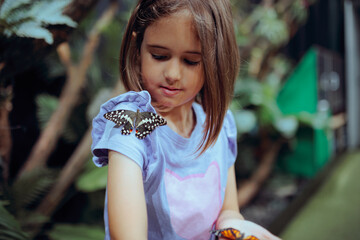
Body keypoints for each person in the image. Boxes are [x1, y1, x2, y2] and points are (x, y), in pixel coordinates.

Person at [91, 0, 281, 239]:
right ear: (137, 49)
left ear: (215, 62)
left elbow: (228, 212)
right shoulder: (130, 126)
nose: (172, 74)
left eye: (191, 61)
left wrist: (238, 230)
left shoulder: (218, 124)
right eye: (159, 56)